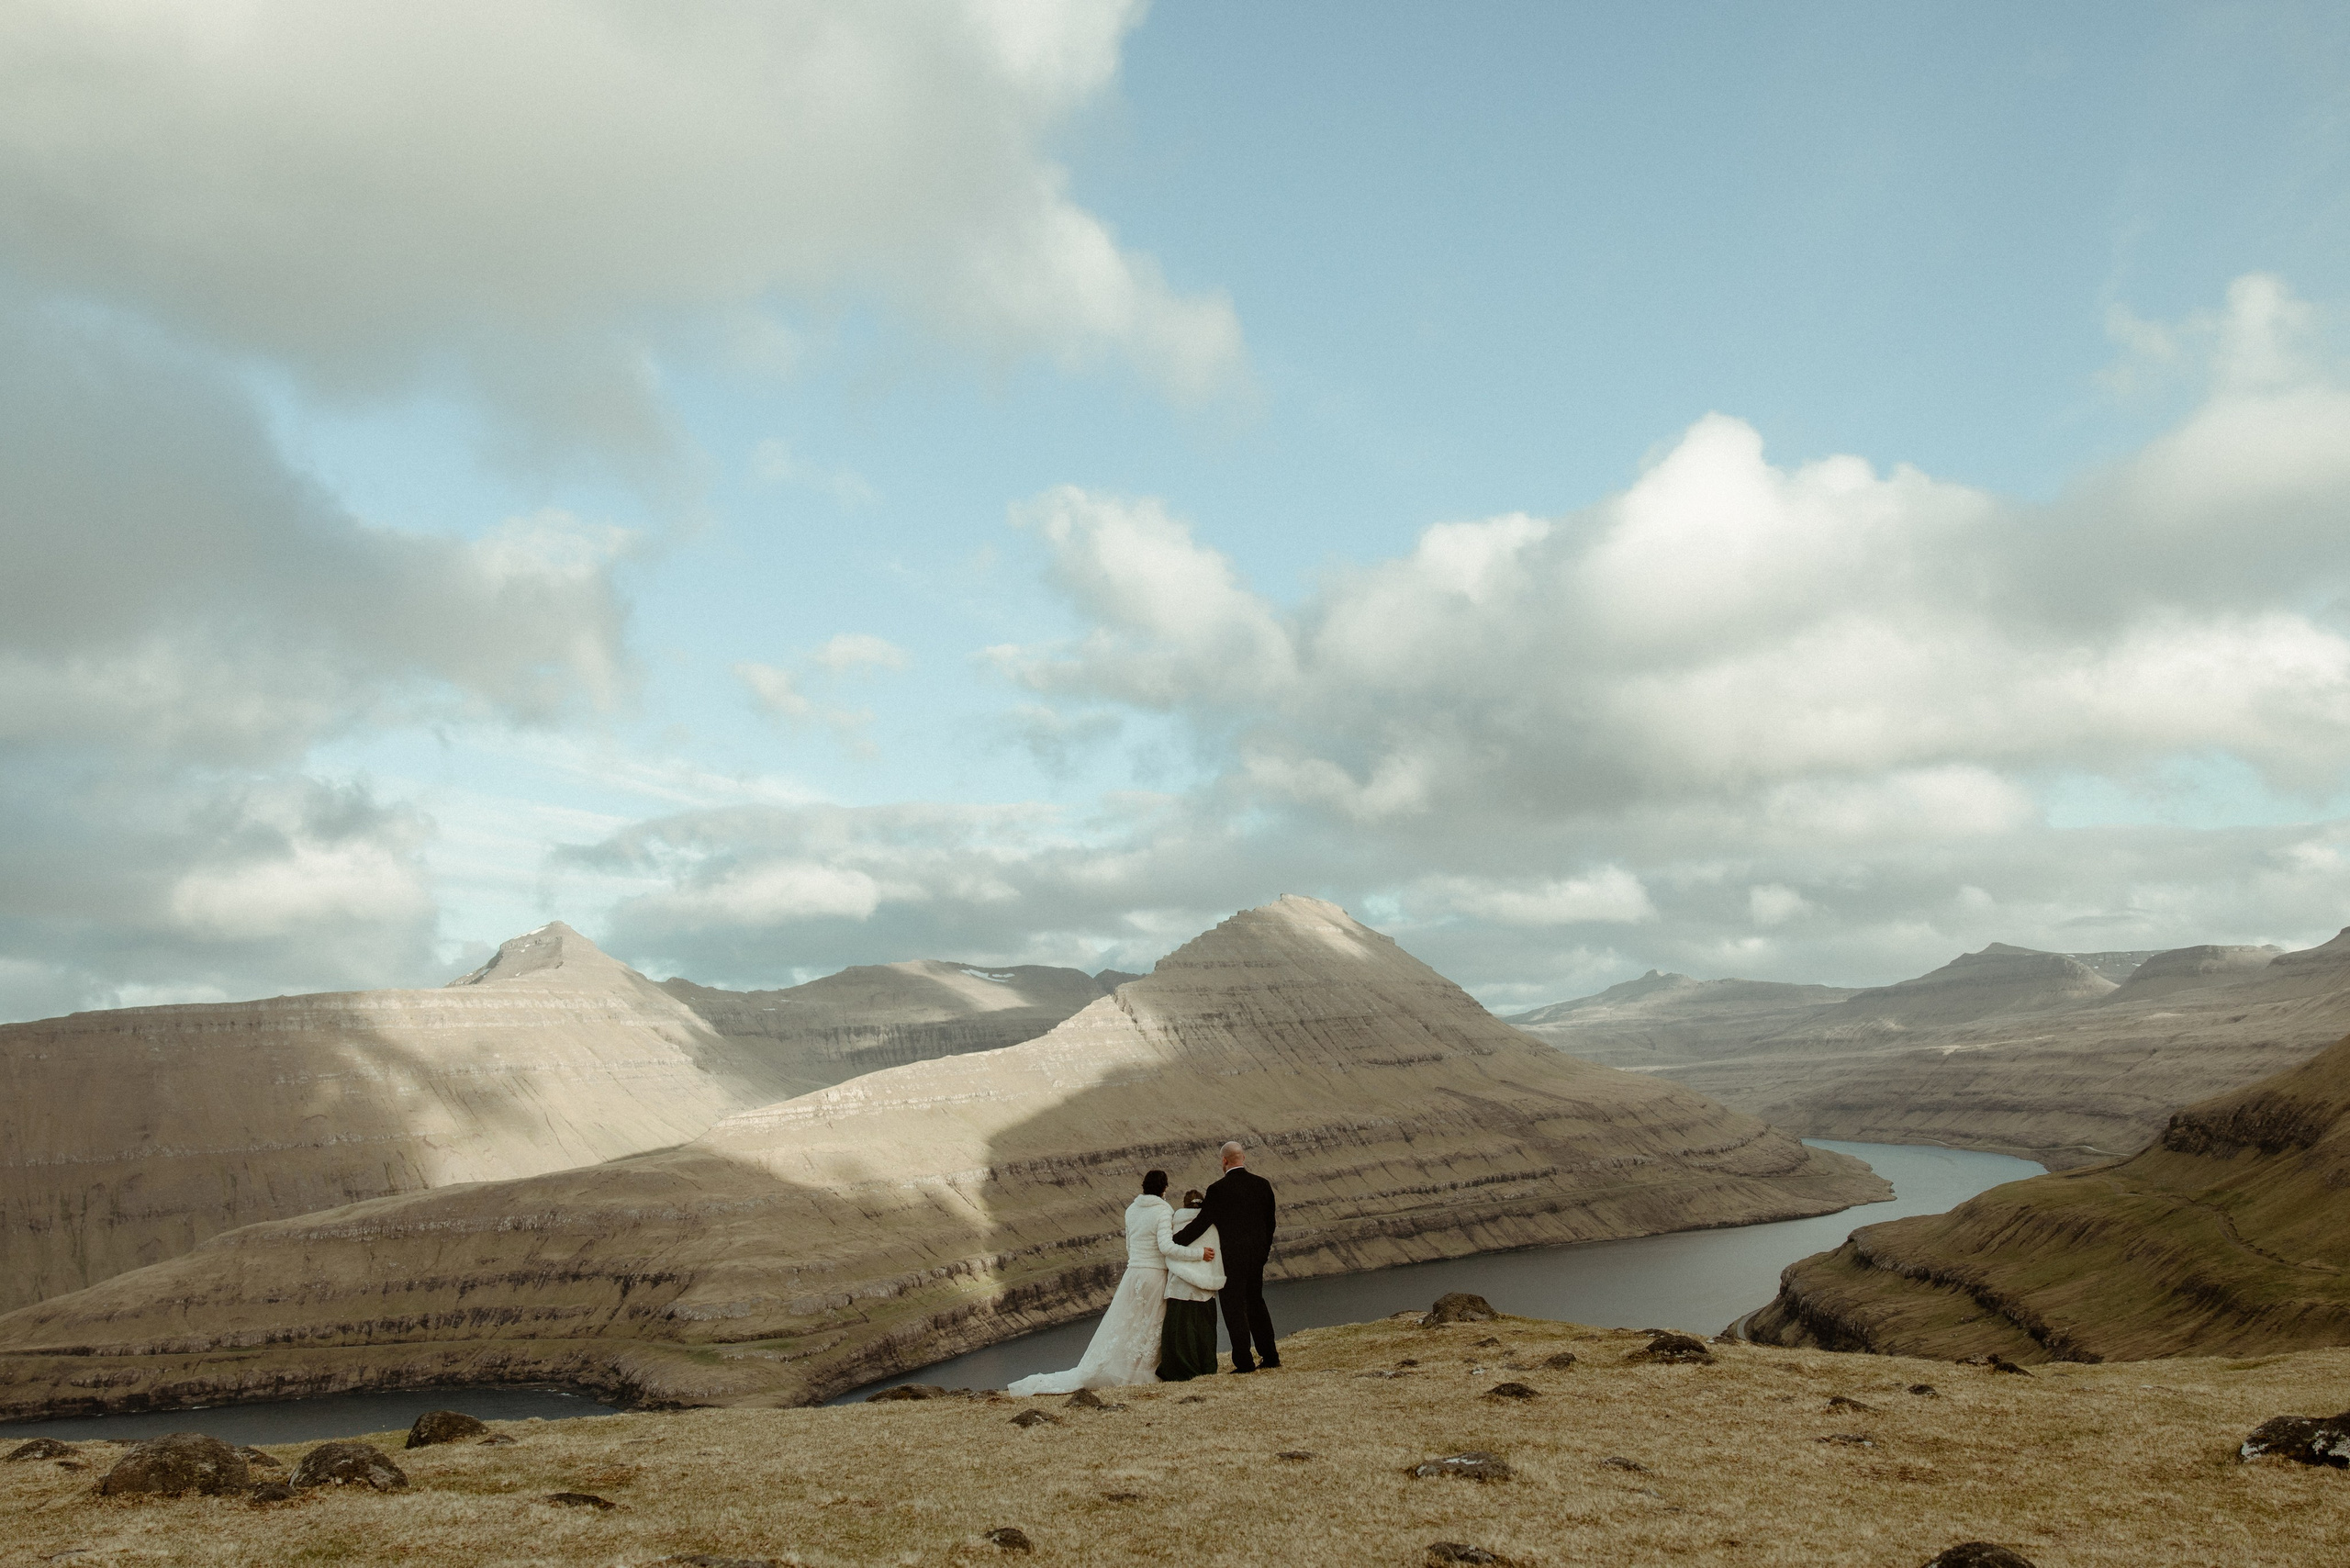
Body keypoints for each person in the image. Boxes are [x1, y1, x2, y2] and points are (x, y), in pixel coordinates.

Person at [1007, 1170, 1213, 1394]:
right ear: (1164, 1189)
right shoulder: (1164, 1210)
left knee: (1128, 1324)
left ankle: (1120, 1367)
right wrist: (1199, 1254)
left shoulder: (1131, 1210)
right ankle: (1145, 1371)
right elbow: (1166, 1248)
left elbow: (1129, 1247)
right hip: (1154, 1275)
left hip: (1133, 1273)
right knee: (1151, 1325)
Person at [1173, 1140, 1279, 1372]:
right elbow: (1270, 1224)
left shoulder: (1218, 1190)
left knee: (1234, 1308)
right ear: (1243, 1158)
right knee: (1256, 1303)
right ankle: (1270, 1357)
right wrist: (1263, 1252)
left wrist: (1174, 1240)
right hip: (1256, 1258)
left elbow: (1201, 1224)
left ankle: (1244, 1363)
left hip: (1231, 1260)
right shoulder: (1263, 1185)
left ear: (1224, 1161)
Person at [1157, 1188, 1223, 1382]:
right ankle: (1206, 1367)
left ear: (1184, 1204)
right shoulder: (1211, 1224)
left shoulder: (1175, 1223)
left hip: (1181, 1286)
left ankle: (1181, 1370)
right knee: (1204, 1333)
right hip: (1205, 1288)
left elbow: (1171, 1249)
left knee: (1181, 1334)